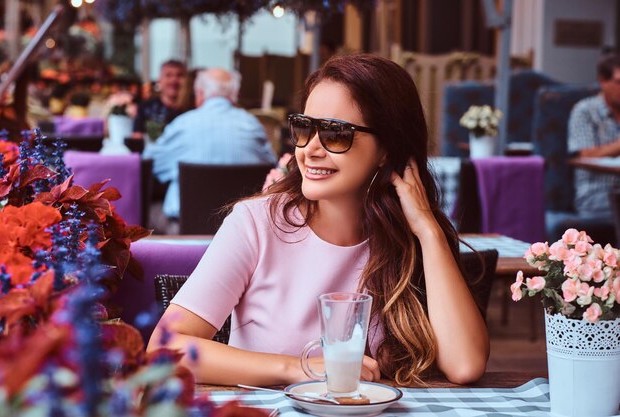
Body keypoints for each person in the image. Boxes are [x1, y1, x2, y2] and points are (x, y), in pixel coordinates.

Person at [147, 55, 489, 386]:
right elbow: (165, 349)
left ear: (386, 149)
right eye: (303, 128)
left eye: (334, 133)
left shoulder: (409, 238)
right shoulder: (255, 224)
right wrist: (298, 368)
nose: (309, 148)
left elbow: (465, 365)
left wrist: (428, 231)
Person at [143, 67, 277, 233]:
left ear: (199, 93)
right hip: (243, 232)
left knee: (148, 210)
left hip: (185, 232)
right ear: (234, 95)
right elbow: (274, 170)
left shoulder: (183, 124)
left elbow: (148, 165)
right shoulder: (253, 125)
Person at [566, 53, 620, 233]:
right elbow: (585, 154)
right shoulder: (585, 111)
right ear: (602, 81)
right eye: (618, 82)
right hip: (596, 194)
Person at [132, 59, 186, 141]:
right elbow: (137, 138)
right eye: (168, 75)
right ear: (159, 80)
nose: (174, 80)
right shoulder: (145, 107)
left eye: (179, 75)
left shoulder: (192, 109)